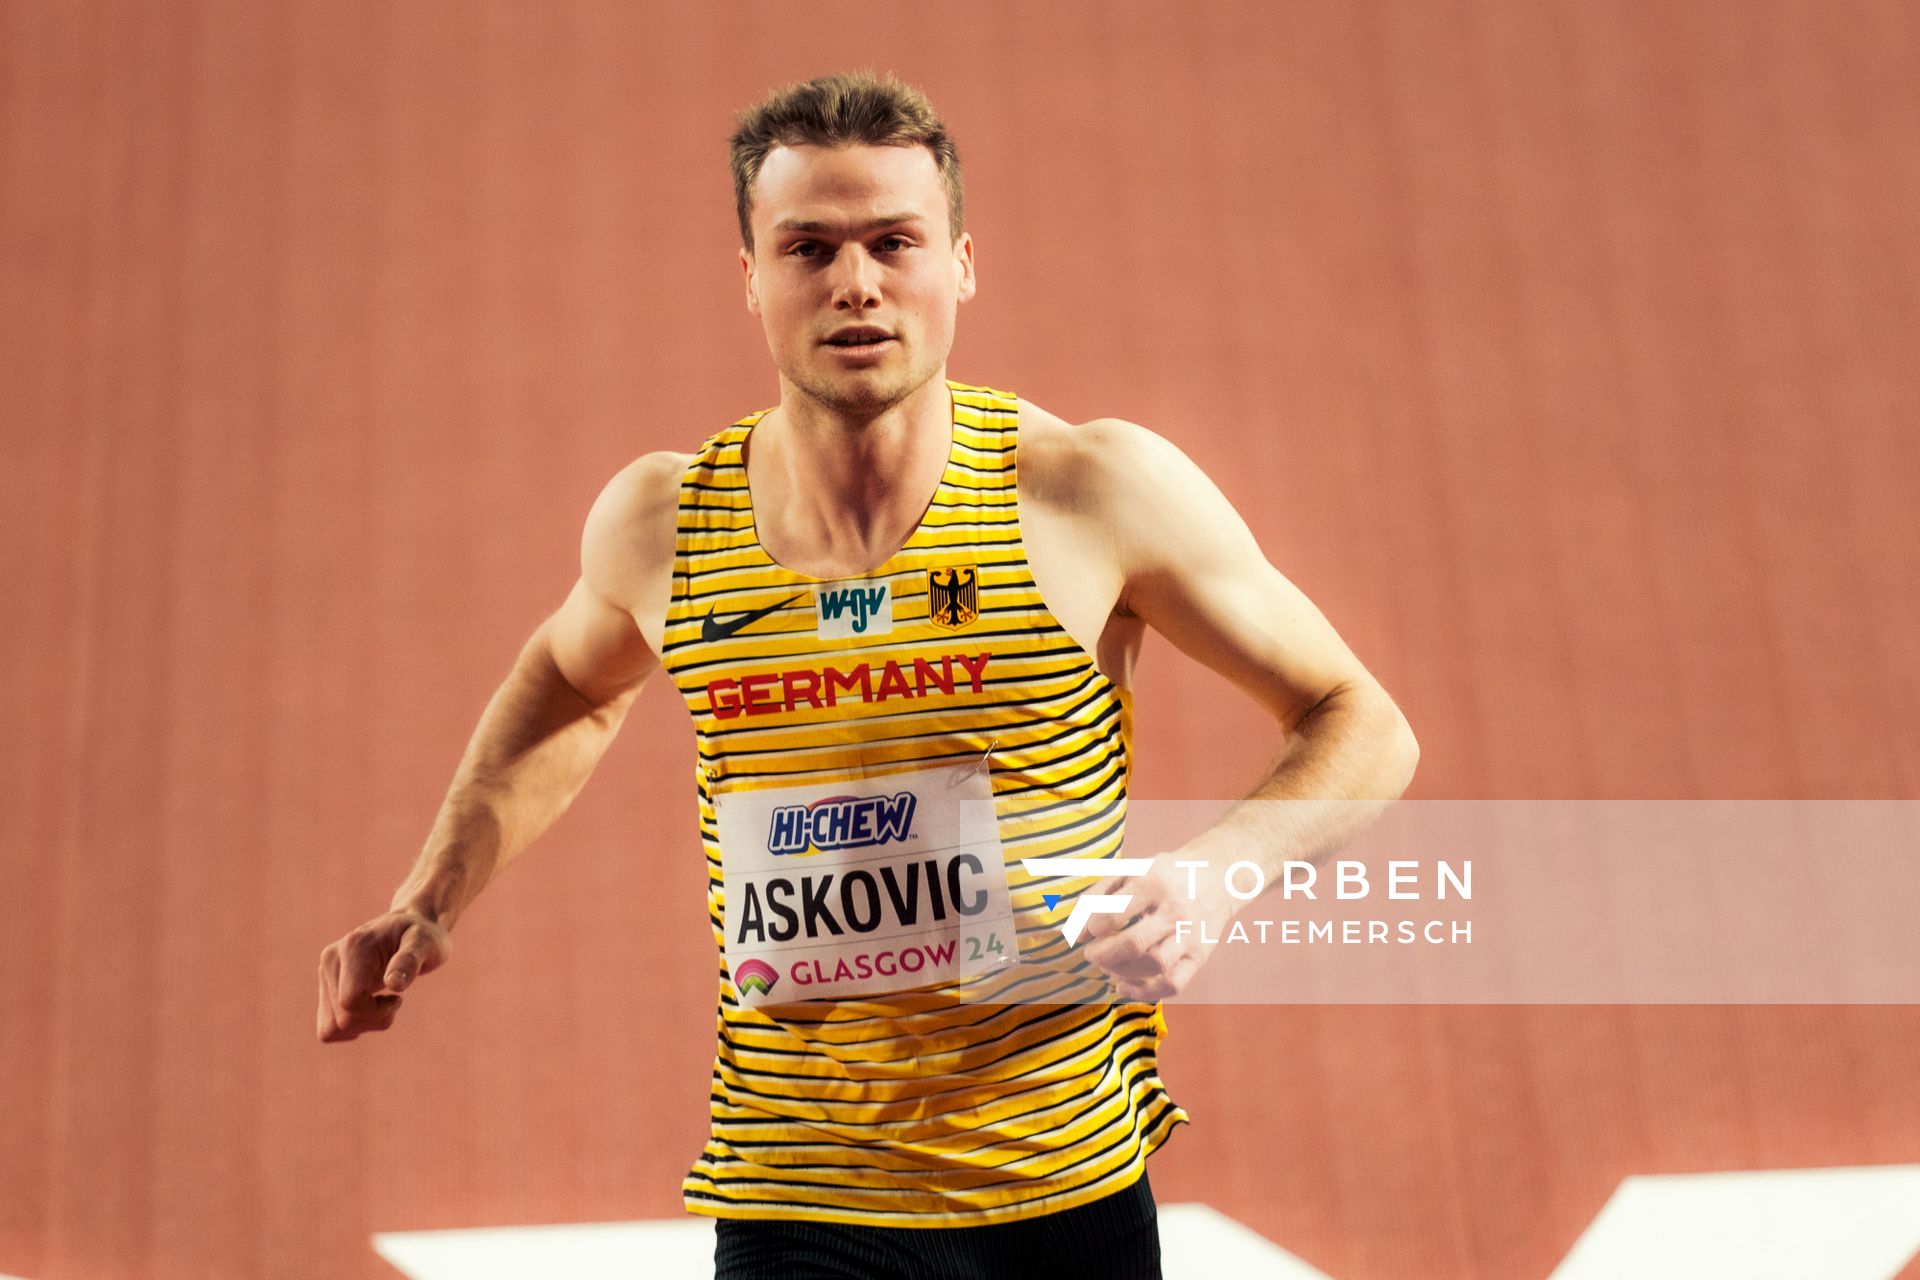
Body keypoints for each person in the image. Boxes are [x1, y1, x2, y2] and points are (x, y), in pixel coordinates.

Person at [316, 71, 1418, 1279]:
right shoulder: (666, 523)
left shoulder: (1088, 492)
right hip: (800, 1186)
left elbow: (1360, 717)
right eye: (809, 247)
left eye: (895, 241)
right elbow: (571, 687)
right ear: (749, 274)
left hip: (1063, 1181)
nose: (856, 283)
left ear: (961, 265)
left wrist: (1218, 873)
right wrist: (431, 892)